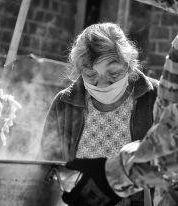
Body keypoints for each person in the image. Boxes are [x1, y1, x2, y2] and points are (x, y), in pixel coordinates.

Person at [36, 21, 159, 206]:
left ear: (129, 64)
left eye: (114, 73)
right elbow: (45, 172)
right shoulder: (64, 104)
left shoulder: (156, 97)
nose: (102, 85)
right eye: (91, 75)